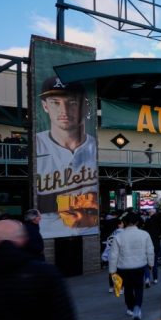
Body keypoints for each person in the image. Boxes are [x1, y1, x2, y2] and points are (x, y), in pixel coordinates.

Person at [35, 76, 99, 235]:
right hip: (48, 234)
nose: (63, 110)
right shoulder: (36, 145)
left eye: (72, 102)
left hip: (89, 231)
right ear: (45, 106)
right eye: (55, 102)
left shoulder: (95, 147)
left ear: (84, 106)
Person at [109, 212, 154, 320]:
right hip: (140, 266)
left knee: (128, 288)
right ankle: (137, 307)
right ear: (137, 222)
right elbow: (150, 251)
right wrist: (151, 264)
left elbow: (113, 255)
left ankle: (130, 308)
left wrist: (112, 271)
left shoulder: (118, 236)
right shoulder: (144, 234)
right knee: (139, 287)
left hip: (124, 267)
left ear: (124, 222)